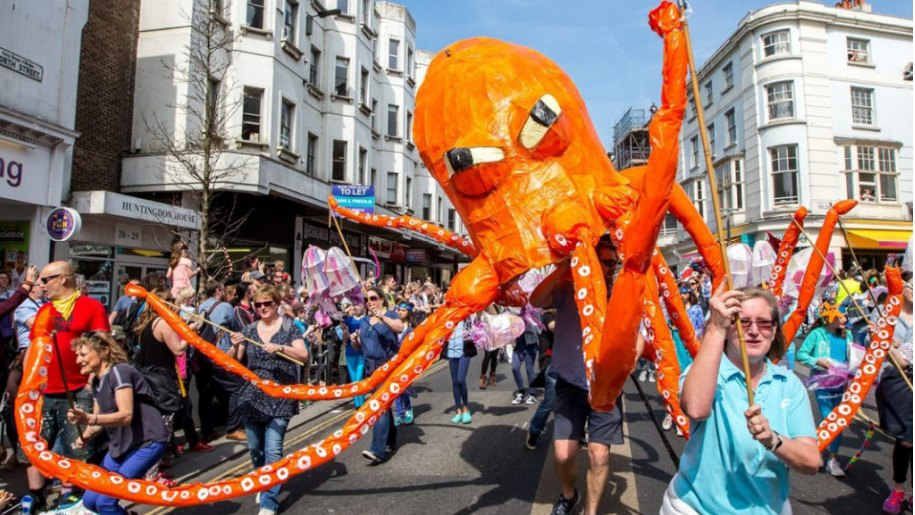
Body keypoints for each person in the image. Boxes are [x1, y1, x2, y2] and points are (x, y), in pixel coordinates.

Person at [661, 285, 819, 514]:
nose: (754, 331)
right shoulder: (708, 371)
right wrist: (716, 328)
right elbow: (695, 408)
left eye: (764, 323)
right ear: (729, 328)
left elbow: (811, 462)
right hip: (697, 508)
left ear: (774, 330)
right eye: (743, 322)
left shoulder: (789, 385)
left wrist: (773, 439)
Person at [529, 236, 631, 515]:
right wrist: (564, 269)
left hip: (606, 390)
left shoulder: (622, 293)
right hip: (570, 384)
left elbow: (639, 337)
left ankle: (591, 511)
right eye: (605, 261)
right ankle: (569, 495)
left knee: (599, 455)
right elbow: (536, 299)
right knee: (563, 454)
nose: (611, 268)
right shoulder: (568, 287)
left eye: (614, 262)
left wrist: (629, 358)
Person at [21, 261, 109, 511]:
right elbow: (32, 349)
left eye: (46, 280)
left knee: (77, 448)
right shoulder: (44, 311)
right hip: (43, 391)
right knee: (35, 446)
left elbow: (104, 346)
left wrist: (95, 379)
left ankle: (72, 497)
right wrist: (25, 385)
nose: (41, 285)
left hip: (78, 389)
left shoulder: (91, 307)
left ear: (64, 279)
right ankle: (35, 496)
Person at [67, 332, 169, 515]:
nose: (77, 361)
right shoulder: (97, 381)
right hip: (121, 447)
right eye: (77, 355)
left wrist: (89, 418)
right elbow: (101, 420)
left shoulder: (120, 372)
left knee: (106, 502)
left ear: (104, 351)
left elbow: (125, 415)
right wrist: (85, 434)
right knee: (90, 501)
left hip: (147, 442)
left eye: (82, 355)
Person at [229, 285, 309, 515]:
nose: (263, 308)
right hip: (252, 396)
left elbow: (303, 355)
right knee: (255, 450)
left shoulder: (289, 327)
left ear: (276, 304)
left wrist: (280, 347)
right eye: (258, 304)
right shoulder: (249, 329)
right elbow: (234, 361)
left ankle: (268, 502)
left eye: (267, 303)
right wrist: (235, 346)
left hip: (280, 396)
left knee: (273, 450)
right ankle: (265, 482)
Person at [131, 273, 188, 485]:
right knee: (161, 429)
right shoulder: (163, 323)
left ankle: (149, 471)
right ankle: (151, 475)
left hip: (146, 378)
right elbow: (178, 350)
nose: (174, 305)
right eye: (171, 302)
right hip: (160, 381)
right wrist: (192, 334)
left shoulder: (147, 323)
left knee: (151, 427)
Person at [796, 301, 852, 477]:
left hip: (841, 384)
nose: (845, 318)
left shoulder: (848, 335)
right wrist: (817, 361)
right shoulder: (817, 334)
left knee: (839, 422)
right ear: (829, 317)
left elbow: (856, 355)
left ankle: (832, 458)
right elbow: (802, 354)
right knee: (830, 418)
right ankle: (817, 450)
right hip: (822, 383)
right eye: (841, 314)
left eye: (845, 315)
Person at [877, 273, 913, 514]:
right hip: (898, 382)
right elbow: (879, 349)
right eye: (911, 284)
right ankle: (899, 488)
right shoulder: (886, 313)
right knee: (907, 439)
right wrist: (885, 345)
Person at [356, 287, 403, 464]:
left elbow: (398, 328)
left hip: (387, 367)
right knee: (384, 404)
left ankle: (378, 450)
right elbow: (360, 347)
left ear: (382, 299)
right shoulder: (365, 321)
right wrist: (354, 340)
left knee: (380, 406)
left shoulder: (391, 314)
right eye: (367, 300)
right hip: (370, 369)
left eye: (374, 298)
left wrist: (382, 316)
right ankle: (390, 440)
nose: (370, 303)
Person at [197, 279, 246, 442]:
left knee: (206, 394)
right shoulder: (225, 307)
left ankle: (207, 431)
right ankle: (233, 428)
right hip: (220, 355)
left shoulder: (201, 306)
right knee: (237, 388)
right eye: (223, 290)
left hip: (202, 355)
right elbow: (235, 327)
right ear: (218, 290)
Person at [444, 318, 475, 424]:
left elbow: (480, 310)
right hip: (451, 351)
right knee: (455, 382)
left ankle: (466, 409)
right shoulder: (449, 315)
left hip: (464, 351)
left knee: (461, 379)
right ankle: (458, 411)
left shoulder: (467, 314)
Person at [393, 302, 417, 425]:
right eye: (399, 310)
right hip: (394, 361)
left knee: (404, 387)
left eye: (403, 310)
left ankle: (407, 408)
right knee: (396, 388)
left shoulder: (411, 329)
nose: (400, 312)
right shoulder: (393, 326)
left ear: (408, 313)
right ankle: (398, 413)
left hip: (407, 362)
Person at [341, 300, 366, 408]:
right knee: (354, 380)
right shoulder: (348, 320)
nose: (356, 307)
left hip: (362, 352)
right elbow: (344, 340)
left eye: (358, 304)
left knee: (359, 378)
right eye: (354, 304)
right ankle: (357, 404)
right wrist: (345, 333)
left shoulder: (367, 320)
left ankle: (361, 402)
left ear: (364, 307)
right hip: (350, 352)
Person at [510, 317, 540, 405]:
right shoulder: (512, 309)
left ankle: (532, 394)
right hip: (518, 344)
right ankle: (521, 392)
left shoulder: (531, 309)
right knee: (515, 368)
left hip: (530, 342)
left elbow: (536, 324)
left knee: (529, 369)